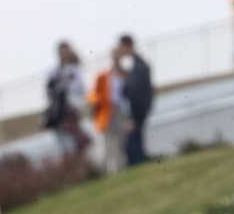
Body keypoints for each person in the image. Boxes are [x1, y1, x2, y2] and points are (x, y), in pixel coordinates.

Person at [43, 41, 91, 155]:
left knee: (77, 141)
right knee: (65, 145)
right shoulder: (53, 71)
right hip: (59, 112)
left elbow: (81, 89)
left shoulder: (74, 70)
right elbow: (48, 91)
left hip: (72, 109)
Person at [88, 46, 128, 174]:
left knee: (121, 139)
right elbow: (93, 95)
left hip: (120, 109)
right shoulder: (103, 76)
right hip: (107, 110)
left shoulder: (124, 74)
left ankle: (120, 167)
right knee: (107, 142)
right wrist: (97, 104)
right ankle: (106, 171)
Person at [119, 34, 153, 167]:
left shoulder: (139, 66)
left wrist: (132, 117)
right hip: (139, 109)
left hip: (137, 111)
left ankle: (139, 165)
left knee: (132, 144)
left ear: (128, 46)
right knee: (136, 141)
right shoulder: (138, 65)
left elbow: (135, 92)